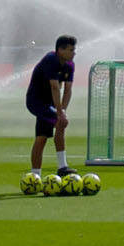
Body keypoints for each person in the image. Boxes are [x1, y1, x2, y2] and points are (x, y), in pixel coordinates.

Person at [27, 35, 78, 180]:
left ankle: (35, 176)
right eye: (71, 50)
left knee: (41, 137)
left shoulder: (70, 65)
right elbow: (55, 87)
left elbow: (67, 90)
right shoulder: (51, 60)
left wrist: (63, 110)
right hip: (36, 101)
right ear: (60, 50)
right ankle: (62, 167)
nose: (74, 53)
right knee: (60, 123)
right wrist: (60, 113)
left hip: (49, 104)